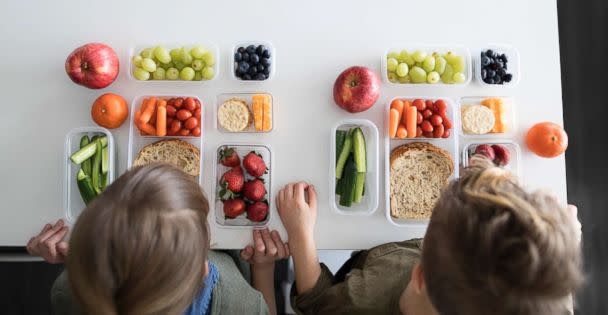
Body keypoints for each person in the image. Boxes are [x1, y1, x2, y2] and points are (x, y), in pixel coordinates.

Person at [278, 156, 583, 315]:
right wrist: (563, 242)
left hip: (360, 268)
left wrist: (300, 235)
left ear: (420, 276)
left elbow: (316, 301)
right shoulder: (544, 300)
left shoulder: (366, 299)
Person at [26, 163, 289, 315]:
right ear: (202, 269)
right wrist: (262, 268)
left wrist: (76, 257)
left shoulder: (70, 293)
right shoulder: (241, 305)